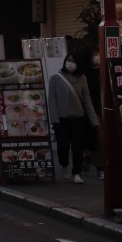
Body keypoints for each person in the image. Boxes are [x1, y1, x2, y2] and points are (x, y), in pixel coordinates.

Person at [48, 52, 99, 184]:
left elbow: (87, 100)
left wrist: (94, 120)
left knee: (78, 147)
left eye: (73, 61)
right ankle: (64, 164)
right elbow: (52, 100)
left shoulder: (82, 78)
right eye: (68, 60)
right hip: (61, 118)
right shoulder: (55, 78)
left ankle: (77, 172)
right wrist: (54, 119)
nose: (70, 63)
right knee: (63, 145)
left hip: (78, 117)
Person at [76, 44, 103, 179]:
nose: (96, 57)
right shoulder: (87, 73)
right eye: (94, 54)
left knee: (90, 139)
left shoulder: (83, 73)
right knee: (96, 138)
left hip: (86, 110)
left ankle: (89, 162)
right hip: (90, 109)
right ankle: (97, 166)